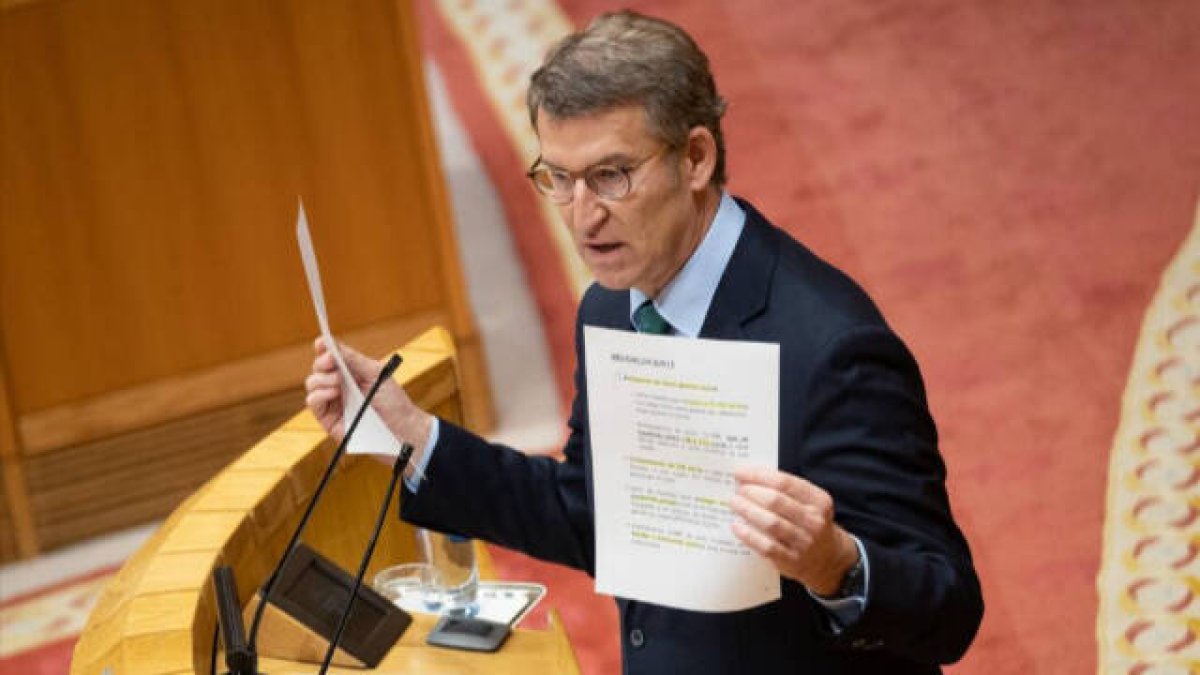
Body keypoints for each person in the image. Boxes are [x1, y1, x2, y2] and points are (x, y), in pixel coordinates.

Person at [305, 10, 982, 673]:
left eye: (611, 176)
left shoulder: (832, 348)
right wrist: (415, 436)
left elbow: (949, 609)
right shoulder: (610, 307)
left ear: (695, 157)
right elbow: (595, 514)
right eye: (559, 179)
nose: (583, 216)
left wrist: (836, 564)